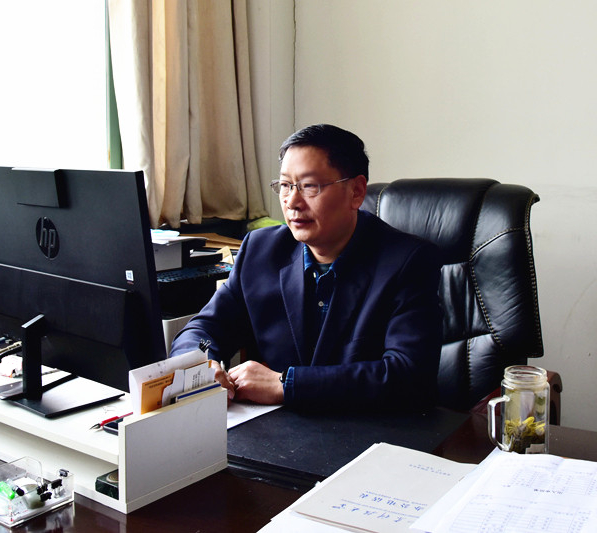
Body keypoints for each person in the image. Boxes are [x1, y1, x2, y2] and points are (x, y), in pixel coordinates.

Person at [169, 124, 442, 411]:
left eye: (310, 186)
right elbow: (203, 329)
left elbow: (407, 375)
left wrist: (286, 384)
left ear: (356, 191)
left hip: (370, 428)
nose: (292, 202)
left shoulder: (408, 261)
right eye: (285, 186)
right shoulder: (260, 251)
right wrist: (202, 364)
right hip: (277, 428)